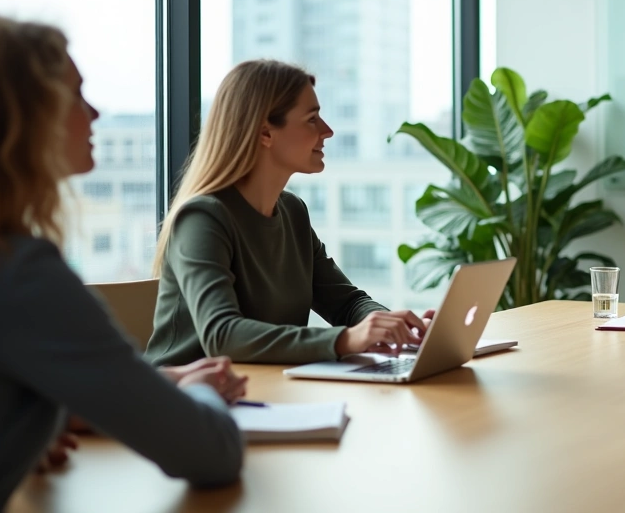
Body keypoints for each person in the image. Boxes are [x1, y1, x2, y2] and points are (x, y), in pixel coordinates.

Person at [0, 17, 243, 511]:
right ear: (20, 120)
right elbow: (212, 453)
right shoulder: (16, 275)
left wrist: (28, 423)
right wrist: (200, 389)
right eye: (75, 95)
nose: (95, 112)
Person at [145, 59, 430, 366]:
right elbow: (222, 335)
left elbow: (347, 304)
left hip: (269, 393)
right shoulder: (203, 218)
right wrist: (347, 339)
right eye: (312, 119)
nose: (328, 131)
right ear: (265, 133)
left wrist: (394, 327)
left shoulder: (293, 212)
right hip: (186, 404)